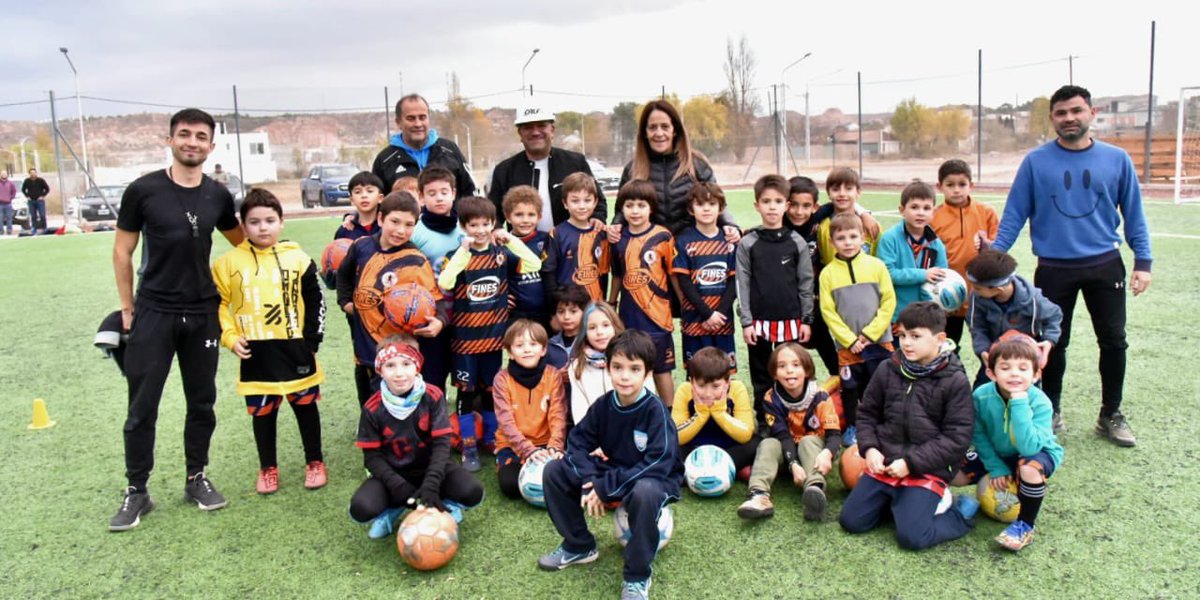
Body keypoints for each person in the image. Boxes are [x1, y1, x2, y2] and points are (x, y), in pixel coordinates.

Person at [993, 85, 1152, 447]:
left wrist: (1142, 260)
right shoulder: (1036, 162)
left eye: (1076, 111)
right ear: (1052, 119)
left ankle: (1110, 414)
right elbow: (1014, 215)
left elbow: (1134, 214)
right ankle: (1051, 411)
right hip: (1053, 269)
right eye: (1061, 113)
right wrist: (993, 263)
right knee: (1051, 343)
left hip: (1105, 265)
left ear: (1091, 114)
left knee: (1113, 341)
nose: (1069, 118)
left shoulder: (1117, 159)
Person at [109, 108, 245, 531]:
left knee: (201, 400)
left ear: (211, 146)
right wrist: (128, 310)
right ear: (170, 140)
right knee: (142, 406)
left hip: (202, 312)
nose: (192, 142)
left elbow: (243, 242)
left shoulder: (218, 196)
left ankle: (196, 477)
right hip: (153, 312)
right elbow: (122, 252)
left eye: (200, 136)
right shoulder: (143, 190)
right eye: (184, 135)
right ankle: (137, 491)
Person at [537, 330, 683, 600]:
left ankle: (638, 576)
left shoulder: (655, 411)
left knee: (644, 492)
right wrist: (592, 479)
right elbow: (577, 443)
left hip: (653, 478)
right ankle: (579, 545)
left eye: (634, 368)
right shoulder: (604, 406)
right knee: (555, 471)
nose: (625, 376)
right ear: (608, 367)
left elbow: (658, 463)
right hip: (615, 472)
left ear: (647, 373)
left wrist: (605, 487)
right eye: (618, 367)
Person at [211, 189, 326, 495]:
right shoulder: (227, 263)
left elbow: (315, 300)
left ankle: (315, 462)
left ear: (282, 222)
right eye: (255, 222)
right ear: (243, 225)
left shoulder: (298, 259)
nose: (263, 227)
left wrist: (311, 341)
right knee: (263, 414)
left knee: (305, 408)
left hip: (295, 349)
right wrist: (230, 337)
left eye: (270, 220)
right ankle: (268, 468)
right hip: (255, 352)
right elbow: (217, 305)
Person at [838, 302, 976, 550]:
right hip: (887, 463)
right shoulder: (888, 369)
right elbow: (867, 413)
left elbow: (957, 438)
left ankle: (958, 512)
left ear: (940, 338)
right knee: (851, 521)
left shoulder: (955, 380)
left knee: (912, 538)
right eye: (902, 335)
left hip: (927, 468)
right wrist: (870, 449)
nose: (906, 343)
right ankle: (903, 504)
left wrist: (911, 463)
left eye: (915, 336)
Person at [437, 196, 542, 471]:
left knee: (491, 392)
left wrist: (511, 240)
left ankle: (493, 440)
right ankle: (468, 444)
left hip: (494, 341)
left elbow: (534, 264)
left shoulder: (501, 254)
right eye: (474, 225)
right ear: (464, 226)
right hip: (465, 344)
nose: (481, 230)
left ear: (494, 223)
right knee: (465, 395)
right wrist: (463, 251)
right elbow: (445, 282)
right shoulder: (457, 257)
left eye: (486, 224)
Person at [349, 336, 484, 539]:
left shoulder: (433, 396)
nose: (399, 373)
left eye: (406, 364)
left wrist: (432, 482)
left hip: (431, 468)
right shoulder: (372, 407)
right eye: (390, 365)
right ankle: (391, 510)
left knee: (472, 491)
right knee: (361, 508)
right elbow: (372, 457)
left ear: (417, 366)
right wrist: (398, 486)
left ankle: (444, 501)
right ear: (380, 370)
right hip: (395, 474)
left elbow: (441, 445)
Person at [336, 191, 447, 406]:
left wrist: (440, 321)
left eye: (408, 225)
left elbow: (436, 300)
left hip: (397, 349)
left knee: (400, 402)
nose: (400, 230)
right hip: (365, 343)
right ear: (380, 219)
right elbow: (343, 273)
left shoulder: (415, 260)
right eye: (395, 221)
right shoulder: (361, 247)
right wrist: (345, 301)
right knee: (370, 403)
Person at [736, 174, 813, 423]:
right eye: (766, 201)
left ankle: (793, 416)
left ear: (786, 206)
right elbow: (742, 283)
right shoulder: (748, 242)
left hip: (790, 321)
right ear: (757, 205)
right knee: (761, 374)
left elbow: (805, 283)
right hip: (758, 322)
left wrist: (806, 319)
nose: (772, 206)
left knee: (790, 370)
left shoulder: (796, 242)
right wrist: (746, 322)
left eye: (778, 201)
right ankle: (764, 419)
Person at [738, 343, 840, 521]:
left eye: (796, 365)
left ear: (807, 370)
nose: (789, 371)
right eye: (782, 366)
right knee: (768, 443)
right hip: (787, 454)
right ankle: (758, 494)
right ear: (774, 373)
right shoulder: (771, 398)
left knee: (808, 441)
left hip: (813, 454)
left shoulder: (820, 395)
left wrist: (827, 453)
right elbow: (782, 436)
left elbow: (834, 435)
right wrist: (792, 463)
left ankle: (814, 490)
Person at [819, 213, 896, 447]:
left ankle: (884, 425)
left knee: (881, 384)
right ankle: (853, 426)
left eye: (853, 236)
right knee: (850, 388)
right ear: (832, 242)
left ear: (863, 237)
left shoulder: (877, 266)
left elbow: (889, 302)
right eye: (841, 238)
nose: (848, 242)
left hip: (878, 341)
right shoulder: (828, 274)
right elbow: (828, 312)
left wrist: (871, 333)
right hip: (848, 346)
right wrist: (850, 340)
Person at [614, 99, 735, 239]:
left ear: (675, 130)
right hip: (650, 250)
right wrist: (615, 226)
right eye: (652, 127)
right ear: (645, 133)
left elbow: (717, 201)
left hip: (690, 249)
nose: (659, 133)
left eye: (665, 126)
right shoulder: (632, 169)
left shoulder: (697, 164)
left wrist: (730, 226)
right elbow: (621, 211)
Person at [608, 180, 677, 405]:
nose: (635, 211)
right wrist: (611, 302)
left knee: (661, 370)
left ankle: (670, 417)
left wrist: (684, 305)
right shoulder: (618, 240)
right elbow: (617, 275)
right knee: (632, 366)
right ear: (622, 209)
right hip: (630, 316)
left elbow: (673, 275)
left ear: (651, 208)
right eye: (629, 205)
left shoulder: (663, 236)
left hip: (658, 317)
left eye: (641, 205)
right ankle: (637, 413)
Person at [487, 102, 606, 230]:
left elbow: (597, 201)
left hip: (570, 247)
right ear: (520, 133)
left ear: (552, 130)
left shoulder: (575, 162)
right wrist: (497, 232)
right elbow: (493, 215)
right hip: (523, 248)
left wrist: (597, 218)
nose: (535, 132)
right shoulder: (504, 170)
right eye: (528, 127)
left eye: (541, 126)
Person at [966, 249, 1062, 391]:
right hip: (995, 355)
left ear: (998, 289)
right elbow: (977, 327)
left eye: (978, 287)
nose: (973, 289)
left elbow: (1054, 315)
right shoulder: (978, 297)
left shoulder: (1033, 300)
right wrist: (983, 350)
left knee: (1028, 397)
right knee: (982, 393)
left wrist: (1049, 340)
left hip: (1025, 357)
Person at [492, 320, 567, 500]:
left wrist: (555, 446)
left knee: (567, 480)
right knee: (510, 486)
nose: (527, 350)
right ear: (510, 352)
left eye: (533, 344)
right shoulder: (502, 379)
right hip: (512, 445)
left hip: (546, 443)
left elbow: (558, 414)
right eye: (519, 345)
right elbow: (506, 421)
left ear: (543, 350)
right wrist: (528, 450)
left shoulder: (553, 375)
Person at [932, 159, 998, 350]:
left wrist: (988, 245)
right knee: (948, 347)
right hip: (948, 298)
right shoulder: (934, 217)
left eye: (962, 184)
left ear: (971, 185)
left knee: (990, 346)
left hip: (982, 294)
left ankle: (989, 378)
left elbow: (999, 248)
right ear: (940, 187)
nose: (957, 190)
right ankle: (952, 379)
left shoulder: (986, 213)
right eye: (950, 185)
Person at [410, 166, 465, 393]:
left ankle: (469, 423)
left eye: (444, 192)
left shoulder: (467, 226)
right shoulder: (416, 232)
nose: (439, 197)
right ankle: (435, 424)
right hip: (433, 316)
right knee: (434, 374)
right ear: (421, 197)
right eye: (431, 193)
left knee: (467, 376)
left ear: (453, 193)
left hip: (466, 313)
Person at [672, 183, 737, 370]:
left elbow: (734, 281)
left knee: (724, 371)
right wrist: (707, 314)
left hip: (722, 322)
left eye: (712, 203)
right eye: (700, 204)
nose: (706, 208)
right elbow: (684, 282)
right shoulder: (684, 241)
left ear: (721, 208)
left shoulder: (729, 241)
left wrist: (721, 314)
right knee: (696, 372)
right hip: (695, 321)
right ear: (691, 210)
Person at [672, 347, 758, 478]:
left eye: (716, 386)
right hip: (695, 449)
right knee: (667, 448)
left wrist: (719, 412)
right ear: (691, 381)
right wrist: (701, 414)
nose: (708, 394)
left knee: (757, 443)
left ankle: (693, 473)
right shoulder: (684, 390)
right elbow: (676, 436)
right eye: (701, 386)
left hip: (730, 448)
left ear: (727, 382)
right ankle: (729, 469)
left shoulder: (737, 388)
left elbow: (746, 433)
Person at [784, 176, 839, 376]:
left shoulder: (815, 218)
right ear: (786, 203)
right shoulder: (779, 226)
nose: (799, 212)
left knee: (824, 341)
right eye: (794, 205)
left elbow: (838, 202)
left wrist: (864, 213)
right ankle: (790, 390)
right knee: (787, 349)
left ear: (814, 206)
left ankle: (841, 382)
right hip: (787, 300)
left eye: (806, 206)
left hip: (814, 297)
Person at [371, 93, 475, 197]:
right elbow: (378, 202)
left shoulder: (450, 150)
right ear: (398, 122)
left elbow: (470, 191)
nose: (418, 124)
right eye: (411, 118)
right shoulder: (384, 160)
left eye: (422, 117)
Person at [566, 302, 650, 425]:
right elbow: (580, 412)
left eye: (605, 325)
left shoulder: (635, 358)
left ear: (615, 326)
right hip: (594, 436)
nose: (599, 332)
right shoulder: (576, 367)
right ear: (584, 332)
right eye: (592, 327)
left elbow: (646, 400)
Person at [878, 180, 949, 322]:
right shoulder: (889, 239)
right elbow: (887, 274)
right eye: (914, 207)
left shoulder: (936, 244)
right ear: (901, 210)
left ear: (933, 212)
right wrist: (923, 274)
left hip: (926, 317)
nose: (921, 213)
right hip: (896, 315)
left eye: (926, 208)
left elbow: (942, 278)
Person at [548, 172, 610, 303]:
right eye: (575, 201)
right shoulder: (556, 234)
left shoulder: (601, 233)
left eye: (587, 200)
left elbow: (603, 273)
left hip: (594, 306)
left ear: (595, 202)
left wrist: (603, 302)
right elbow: (549, 275)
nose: (582, 206)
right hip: (568, 308)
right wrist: (554, 307)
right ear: (565, 203)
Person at [502, 185, 556, 329]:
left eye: (531, 215)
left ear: (539, 216)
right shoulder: (502, 245)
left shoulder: (547, 240)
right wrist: (502, 296)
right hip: (517, 315)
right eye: (519, 215)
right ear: (508, 217)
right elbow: (496, 276)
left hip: (546, 313)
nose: (525, 220)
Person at [815, 167, 880, 267]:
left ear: (858, 192)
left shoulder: (871, 226)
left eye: (848, 189)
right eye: (836, 189)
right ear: (828, 193)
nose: (842, 194)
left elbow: (879, 262)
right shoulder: (823, 227)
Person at [334, 172, 385, 241]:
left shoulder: (387, 226)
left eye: (369, 191)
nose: (364, 195)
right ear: (352, 200)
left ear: (380, 198)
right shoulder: (345, 230)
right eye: (358, 192)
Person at [548, 284, 590, 369]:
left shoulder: (591, 341)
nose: (566, 317)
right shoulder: (550, 344)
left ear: (584, 311)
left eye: (573, 311)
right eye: (561, 311)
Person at [21, 167, 49, 233]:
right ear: (29, 174)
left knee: (42, 215)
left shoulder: (41, 180)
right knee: (33, 216)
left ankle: (44, 227)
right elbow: (23, 189)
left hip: (40, 201)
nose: (33, 174)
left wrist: (42, 196)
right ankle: (34, 228)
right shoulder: (27, 181)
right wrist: (27, 196)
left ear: (36, 173)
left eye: (34, 172)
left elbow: (47, 189)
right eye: (31, 173)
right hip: (31, 201)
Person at [0, 170, 16, 235]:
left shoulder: (10, 183)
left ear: (7, 175)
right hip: (0, 204)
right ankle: (1, 231)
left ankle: (9, 230)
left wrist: (10, 198)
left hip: (8, 204)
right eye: (2, 174)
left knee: (9, 218)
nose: (4, 175)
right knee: (0, 218)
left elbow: (14, 191)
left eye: (5, 174)